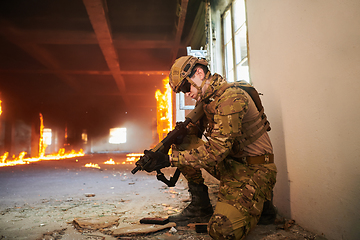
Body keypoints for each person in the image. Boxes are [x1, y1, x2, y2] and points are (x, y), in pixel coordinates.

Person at [143, 56, 277, 239]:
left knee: (221, 231)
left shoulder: (231, 98)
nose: (186, 93)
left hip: (255, 170)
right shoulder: (208, 101)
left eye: (185, 86)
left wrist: (168, 160)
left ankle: (263, 204)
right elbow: (190, 140)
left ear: (198, 72)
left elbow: (215, 152)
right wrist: (164, 148)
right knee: (182, 141)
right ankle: (200, 206)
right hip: (233, 166)